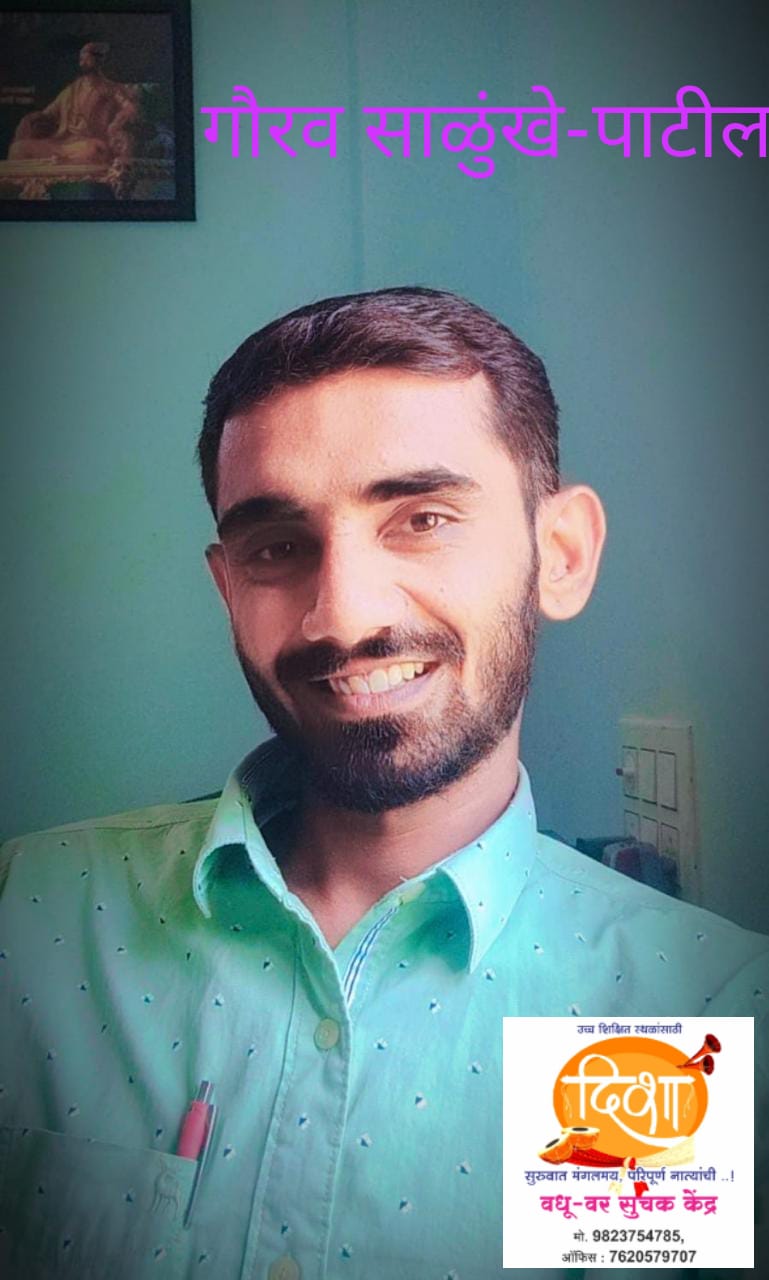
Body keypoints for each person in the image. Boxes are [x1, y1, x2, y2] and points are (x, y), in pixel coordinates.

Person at [1, 287, 766, 1280]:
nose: (343, 616)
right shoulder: (25, 915)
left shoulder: (695, 1011)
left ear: (561, 555)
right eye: (277, 546)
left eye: (422, 518)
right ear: (228, 587)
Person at [8, 42, 141, 166]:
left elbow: (130, 108)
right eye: (81, 58)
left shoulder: (110, 88)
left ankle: (62, 162)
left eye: (86, 58)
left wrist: (116, 124)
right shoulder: (72, 89)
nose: (82, 62)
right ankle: (60, 162)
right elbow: (48, 114)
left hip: (87, 144)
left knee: (94, 151)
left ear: (99, 60)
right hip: (62, 144)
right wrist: (31, 120)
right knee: (18, 149)